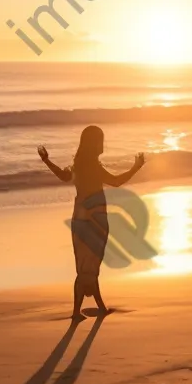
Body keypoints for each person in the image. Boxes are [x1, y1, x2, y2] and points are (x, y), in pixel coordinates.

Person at [38, 126, 145, 319]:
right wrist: (136, 167)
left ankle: (83, 309)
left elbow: (62, 176)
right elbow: (116, 182)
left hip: (80, 217)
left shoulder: (78, 166)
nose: (102, 143)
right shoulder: (93, 167)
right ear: (93, 143)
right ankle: (88, 309)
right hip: (95, 219)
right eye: (100, 140)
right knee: (92, 264)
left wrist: (46, 160)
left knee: (84, 265)